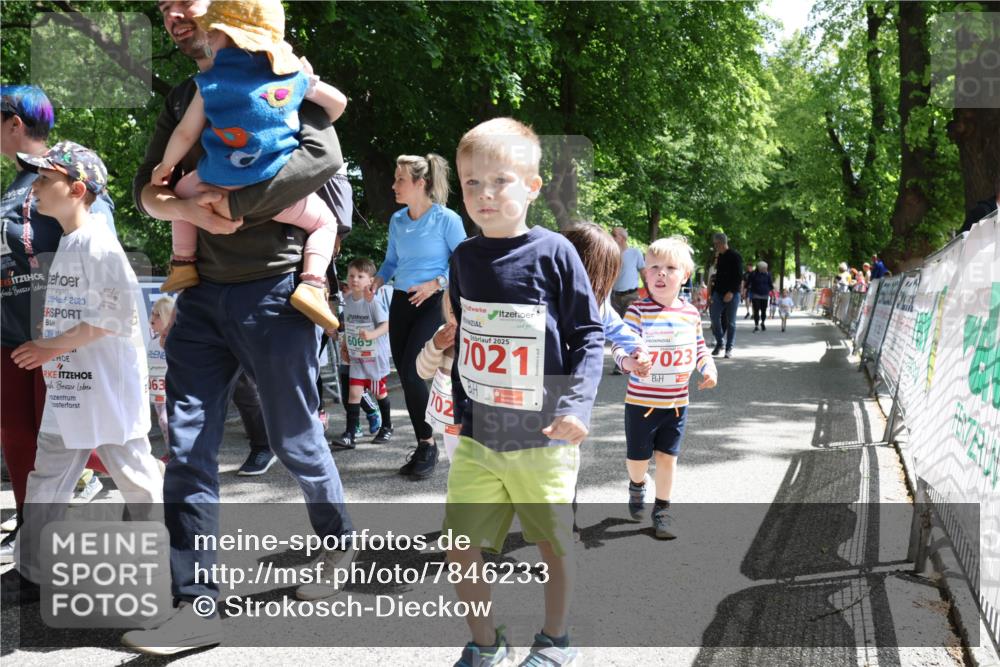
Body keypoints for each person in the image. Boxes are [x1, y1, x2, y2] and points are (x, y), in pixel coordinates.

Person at [121, 1, 355, 654]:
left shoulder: (279, 69)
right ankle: (194, 600)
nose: (172, 12)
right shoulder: (185, 94)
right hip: (201, 300)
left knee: (296, 435)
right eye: (163, 5)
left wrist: (228, 206)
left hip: (277, 294)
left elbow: (321, 157)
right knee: (186, 445)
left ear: (222, 12)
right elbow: (145, 187)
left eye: (186, 1)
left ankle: (337, 543)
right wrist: (177, 203)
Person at [445, 118, 604, 666]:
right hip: (480, 437)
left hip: (544, 436)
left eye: (501, 181)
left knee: (552, 544)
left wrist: (579, 406)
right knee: (460, 545)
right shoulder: (464, 257)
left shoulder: (555, 252)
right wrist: (461, 410)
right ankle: (485, 645)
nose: (485, 195)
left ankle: (556, 640)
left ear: (533, 187)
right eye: (472, 184)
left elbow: (587, 334)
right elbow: (469, 335)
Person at [9, 142, 164, 598]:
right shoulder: (72, 242)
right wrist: (52, 350)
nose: (34, 188)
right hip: (71, 388)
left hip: (107, 390)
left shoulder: (99, 243)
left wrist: (46, 347)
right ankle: (31, 573)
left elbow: (116, 318)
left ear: (77, 189)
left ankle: (172, 562)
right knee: (47, 479)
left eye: (43, 180)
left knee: (137, 479)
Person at [151, 0, 345, 334]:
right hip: (272, 189)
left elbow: (184, 133)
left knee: (179, 196)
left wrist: (166, 167)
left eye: (213, 31)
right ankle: (312, 284)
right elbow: (338, 105)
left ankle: (182, 262)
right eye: (164, 7)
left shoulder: (208, 84)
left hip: (214, 184)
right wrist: (309, 85)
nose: (208, 36)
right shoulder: (288, 76)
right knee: (326, 222)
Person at [0, 85, 117, 569]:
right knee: (20, 444)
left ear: (14, 123)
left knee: (79, 446)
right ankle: (34, 559)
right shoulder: (12, 185)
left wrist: (60, 342)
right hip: (10, 337)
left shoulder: (66, 172)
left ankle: (175, 524)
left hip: (56, 340)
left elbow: (99, 249)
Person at [613, 236, 717, 539]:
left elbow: (700, 348)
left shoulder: (690, 314)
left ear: (684, 275)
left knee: (667, 459)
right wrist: (629, 363)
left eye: (670, 268)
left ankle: (662, 510)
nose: (661, 273)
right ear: (645, 273)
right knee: (638, 461)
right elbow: (619, 347)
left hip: (675, 404)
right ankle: (637, 485)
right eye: (654, 267)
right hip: (641, 403)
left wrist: (708, 367)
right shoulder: (637, 311)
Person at [369, 154, 465, 480]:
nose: (394, 185)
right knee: (407, 374)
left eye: (400, 180)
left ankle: (429, 443)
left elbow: (463, 262)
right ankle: (424, 444)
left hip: (434, 302)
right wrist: (379, 279)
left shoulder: (446, 219)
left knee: (412, 371)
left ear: (420, 183)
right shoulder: (398, 220)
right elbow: (391, 261)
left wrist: (435, 283)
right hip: (401, 300)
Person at [330, 257, 393, 449]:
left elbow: (387, 325)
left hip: (374, 357)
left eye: (360, 276)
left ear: (370, 280)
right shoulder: (347, 301)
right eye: (351, 275)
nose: (354, 279)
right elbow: (349, 327)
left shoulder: (372, 302)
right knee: (354, 393)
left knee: (379, 392)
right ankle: (350, 434)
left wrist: (372, 334)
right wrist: (344, 346)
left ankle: (387, 427)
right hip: (357, 357)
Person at [708, 232, 743, 358]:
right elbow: (718, 277)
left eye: (716, 244)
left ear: (721, 243)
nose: (715, 246)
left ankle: (729, 348)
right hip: (718, 292)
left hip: (732, 294)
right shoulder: (720, 257)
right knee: (714, 317)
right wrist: (712, 294)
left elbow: (739, 277)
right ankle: (719, 342)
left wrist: (731, 292)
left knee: (731, 322)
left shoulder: (735, 256)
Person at [609, 226, 644, 317]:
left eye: (614, 235)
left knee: (630, 324)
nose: (611, 237)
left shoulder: (635, 252)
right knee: (613, 327)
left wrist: (650, 294)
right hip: (613, 297)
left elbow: (644, 273)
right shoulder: (610, 255)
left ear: (623, 238)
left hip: (631, 297)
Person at [747, 260, 773, 332]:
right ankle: (756, 325)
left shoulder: (768, 274)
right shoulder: (753, 274)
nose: (766, 269)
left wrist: (772, 291)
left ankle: (763, 323)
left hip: (765, 294)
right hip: (756, 294)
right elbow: (748, 282)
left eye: (766, 268)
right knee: (756, 310)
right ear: (760, 268)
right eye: (764, 268)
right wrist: (745, 290)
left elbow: (770, 283)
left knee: (764, 311)